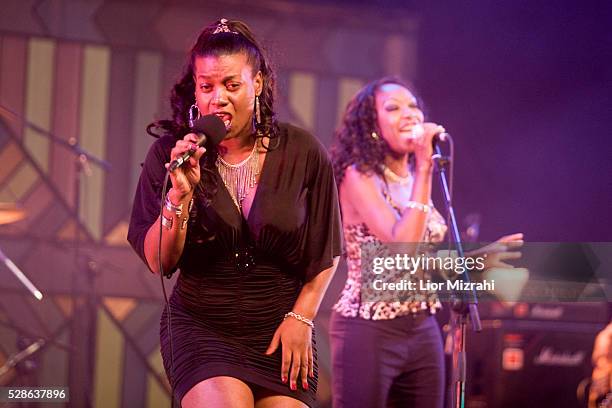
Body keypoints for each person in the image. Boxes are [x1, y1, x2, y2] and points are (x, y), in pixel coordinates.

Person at [127, 19, 342, 408]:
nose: (218, 98)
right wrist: (179, 194)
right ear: (195, 90)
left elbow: (327, 250)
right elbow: (160, 260)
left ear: (257, 84)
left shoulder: (303, 151)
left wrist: (302, 318)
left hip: (281, 328)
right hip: (202, 326)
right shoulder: (170, 156)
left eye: (231, 85)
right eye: (207, 86)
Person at [329, 77, 522, 408]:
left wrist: (476, 259)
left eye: (413, 106)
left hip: (422, 327)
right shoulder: (357, 176)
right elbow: (400, 246)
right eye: (393, 108)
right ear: (371, 126)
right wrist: (424, 168)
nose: (409, 114)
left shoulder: (414, 179)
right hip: (368, 328)